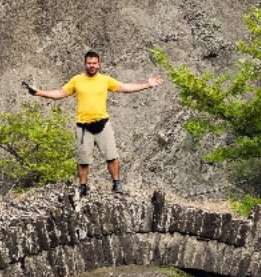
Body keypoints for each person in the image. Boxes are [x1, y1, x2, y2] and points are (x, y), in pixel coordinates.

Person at [22, 50, 163, 196]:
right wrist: (39, 92)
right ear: (85, 64)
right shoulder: (76, 80)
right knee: (83, 160)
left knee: (112, 156)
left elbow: (125, 88)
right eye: (89, 63)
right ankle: (82, 186)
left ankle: (117, 183)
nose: (92, 66)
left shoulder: (105, 80)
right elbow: (60, 93)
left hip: (102, 124)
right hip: (84, 127)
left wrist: (147, 84)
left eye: (94, 63)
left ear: (99, 64)